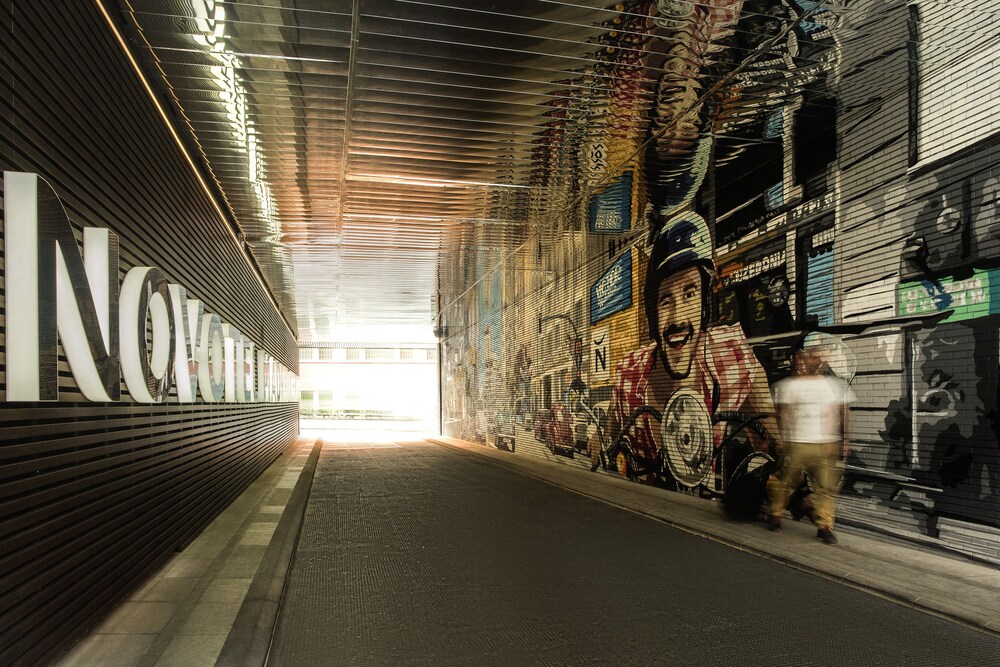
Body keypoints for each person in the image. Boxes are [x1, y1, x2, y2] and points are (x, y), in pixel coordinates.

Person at [603, 210, 780, 488]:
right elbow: (609, 434)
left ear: (704, 305)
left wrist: (778, 479)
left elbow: (769, 442)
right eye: (665, 300)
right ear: (652, 312)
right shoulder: (630, 374)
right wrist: (600, 446)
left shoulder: (731, 355)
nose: (678, 318)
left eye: (689, 293)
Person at [768, 344, 855, 544]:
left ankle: (824, 527)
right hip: (798, 443)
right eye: (814, 357)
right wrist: (783, 440)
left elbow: (844, 413)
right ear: (806, 359)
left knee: (826, 488)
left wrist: (844, 440)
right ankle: (775, 514)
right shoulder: (792, 385)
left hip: (825, 445)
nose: (818, 361)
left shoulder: (835, 386)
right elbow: (785, 415)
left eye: (822, 358)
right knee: (785, 483)